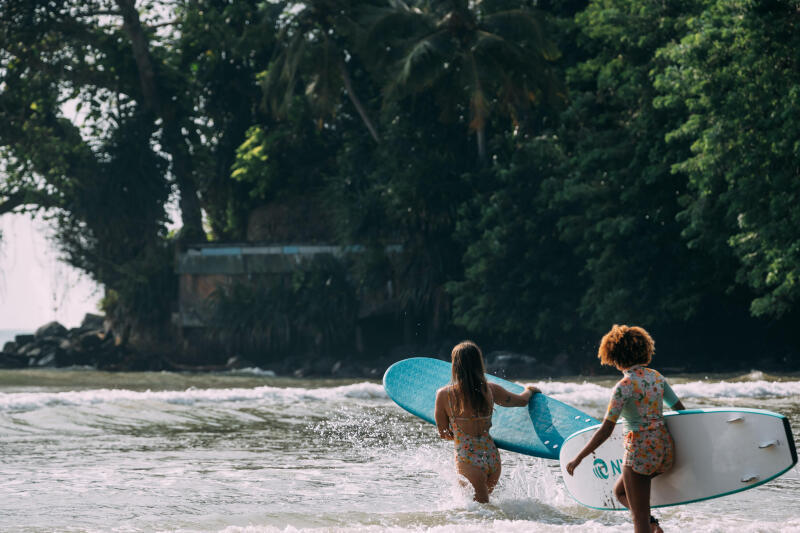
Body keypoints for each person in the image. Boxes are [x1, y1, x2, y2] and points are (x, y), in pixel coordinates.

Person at [565, 325, 685, 533]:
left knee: (638, 519)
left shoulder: (624, 385)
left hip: (639, 453)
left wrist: (579, 458)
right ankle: (654, 525)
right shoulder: (656, 377)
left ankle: (649, 526)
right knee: (619, 492)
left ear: (612, 355)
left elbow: (606, 430)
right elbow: (680, 410)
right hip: (664, 450)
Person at [434, 340, 539, 503]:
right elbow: (521, 401)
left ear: (455, 366)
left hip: (468, 460)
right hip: (491, 457)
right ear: (478, 363)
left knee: (480, 513)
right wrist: (529, 391)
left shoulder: (444, 395)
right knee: (485, 508)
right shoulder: (491, 390)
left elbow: (443, 432)